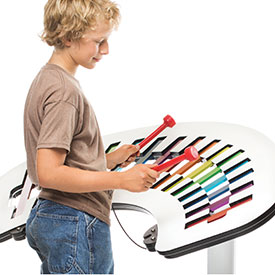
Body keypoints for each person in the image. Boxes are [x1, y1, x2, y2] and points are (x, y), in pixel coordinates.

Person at [24, 0, 159, 274]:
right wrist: (121, 179)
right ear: (67, 37)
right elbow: (49, 172)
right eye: (99, 41)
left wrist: (106, 159)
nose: (106, 50)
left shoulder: (48, 80)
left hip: (59, 218)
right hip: (73, 219)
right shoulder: (64, 93)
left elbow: (65, 159)